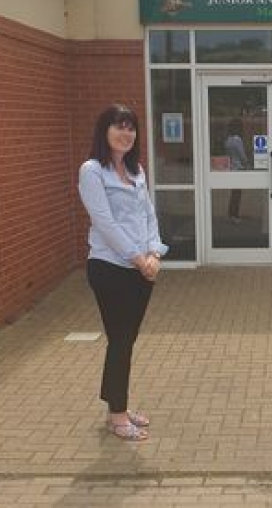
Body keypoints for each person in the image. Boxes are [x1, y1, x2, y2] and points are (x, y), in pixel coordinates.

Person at [78, 104, 169, 441]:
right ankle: (117, 417)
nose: (125, 133)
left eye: (131, 128)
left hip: (141, 268)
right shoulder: (92, 171)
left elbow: (148, 215)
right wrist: (137, 258)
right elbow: (105, 222)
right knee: (120, 341)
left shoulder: (136, 171)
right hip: (110, 268)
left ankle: (117, 405)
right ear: (105, 131)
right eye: (118, 126)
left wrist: (154, 252)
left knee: (125, 341)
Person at [224, 118, 247, 223]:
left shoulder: (228, 139)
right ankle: (235, 215)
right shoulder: (238, 140)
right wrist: (247, 162)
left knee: (233, 193)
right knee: (237, 193)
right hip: (238, 168)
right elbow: (242, 155)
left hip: (231, 167)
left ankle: (230, 213)